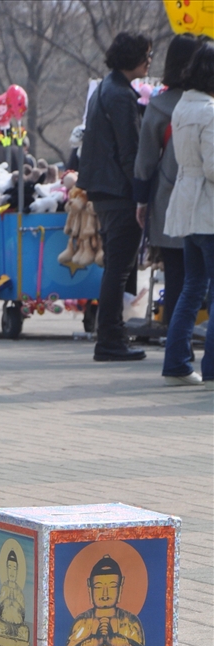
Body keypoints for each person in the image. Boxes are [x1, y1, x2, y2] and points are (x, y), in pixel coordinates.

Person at [78, 31, 153, 362]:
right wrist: (141, 195)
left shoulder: (106, 89)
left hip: (104, 190)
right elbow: (130, 152)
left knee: (115, 267)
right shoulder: (121, 95)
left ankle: (109, 335)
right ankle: (110, 338)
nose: (150, 61)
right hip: (120, 192)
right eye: (147, 55)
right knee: (119, 269)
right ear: (133, 58)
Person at [134, 34, 203, 334]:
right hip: (205, 203)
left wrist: (141, 202)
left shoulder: (160, 106)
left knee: (177, 278)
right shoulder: (207, 106)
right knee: (202, 278)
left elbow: (145, 160)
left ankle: (175, 346)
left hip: (168, 202)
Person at [162, 40, 214, 388]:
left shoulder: (182, 106)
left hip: (186, 203)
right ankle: (210, 368)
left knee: (191, 287)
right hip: (208, 206)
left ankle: (177, 363)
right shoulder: (210, 111)